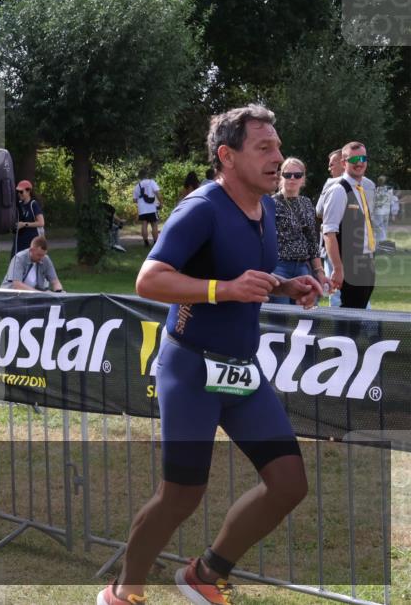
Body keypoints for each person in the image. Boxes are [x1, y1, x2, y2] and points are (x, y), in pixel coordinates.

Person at [98, 105, 319, 605]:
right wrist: (223, 290)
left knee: (288, 483)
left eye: (278, 147)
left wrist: (285, 286)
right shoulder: (201, 207)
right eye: (264, 148)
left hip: (241, 369)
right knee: (182, 494)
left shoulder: (266, 209)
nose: (278, 159)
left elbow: (246, 278)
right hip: (192, 368)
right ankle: (123, 591)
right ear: (227, 155)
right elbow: (149, 279)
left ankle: (206, 572)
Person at [321, 141, 378, 309]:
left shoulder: (362, 188)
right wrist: (338, 268)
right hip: (349, 264)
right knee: (350, 316)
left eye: (363, 158)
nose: (359, 163)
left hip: (366, 260)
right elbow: (329, 232)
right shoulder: (338, 190)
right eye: (353, 160)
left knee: (360, 311)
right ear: (344, 163)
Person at [269, 157, 323, 304]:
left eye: (297, 175)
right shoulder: (270, 203)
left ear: (303, 178)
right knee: (281, 317)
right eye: (287, 175)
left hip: (303, 266)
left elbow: (312, 240)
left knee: (306, 315)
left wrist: (319, 271)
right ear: (281, 176)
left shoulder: (306, 203)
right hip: (279, 267)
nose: (292, 178)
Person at [315, 149, 345, 307]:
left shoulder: (333, 185)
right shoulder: (362, 185)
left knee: (335, 293)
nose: (329, 168)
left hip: (335, 245)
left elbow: (319, 210)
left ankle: (342, 331)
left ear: (343, 163)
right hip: (355, 248)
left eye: (332, 164)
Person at [12, 179, 44, 255]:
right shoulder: (19, 204)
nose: (19, 194)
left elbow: (41, 222)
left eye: (21, 192)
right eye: (18, 192)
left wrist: (24, 224)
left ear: (28, 191)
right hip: (21, 240)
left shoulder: (33, 204)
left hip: (32, 240)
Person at [133, 168, 162, 247]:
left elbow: (134, 200)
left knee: (144, 224)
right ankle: (156, 242)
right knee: (154, 225)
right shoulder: (151, 182)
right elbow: (158, 194)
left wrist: (141, 199)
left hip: (142, 209)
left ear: (140, 176)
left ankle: (146, 242)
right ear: (147, 175)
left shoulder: (137, 186)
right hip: (152, 207)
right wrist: (161, 203)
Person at [374, 174, 399, 242]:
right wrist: (394, 213)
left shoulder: (376, 189)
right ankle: (382, 244)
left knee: (378, 228)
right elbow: (393, 200)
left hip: (379, 212)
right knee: (383, 228)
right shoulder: (389, 190)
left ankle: (380, 244)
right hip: (386, 212)